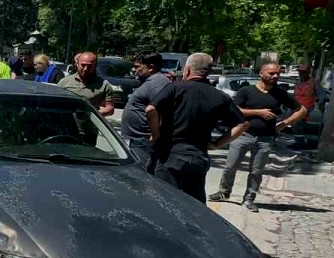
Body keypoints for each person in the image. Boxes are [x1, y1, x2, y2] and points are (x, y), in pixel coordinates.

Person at [208, 62, 308, 212]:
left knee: (256, 171)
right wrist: (258, 112)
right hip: (243, 135)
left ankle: (249, 199)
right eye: (271, 73)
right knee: (230, 166)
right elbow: (235, 109)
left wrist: (284, 123)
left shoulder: (280, 93)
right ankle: (224, 192)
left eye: (277, 74)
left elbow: (302, 110)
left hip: (265, 139)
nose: (275, 76)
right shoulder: (247, 91)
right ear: (261, 73)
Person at [154, 53, 249, 202]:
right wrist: (217, 144)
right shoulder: (220, 96)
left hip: (171, 154)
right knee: (195, 205)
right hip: (198, 156)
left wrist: (155, 134)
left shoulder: (175, 88)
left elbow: (150, 109)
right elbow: (242, 124)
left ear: (187, 70)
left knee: (165, 202)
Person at [120, 52, 172, 173]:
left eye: (138, 66)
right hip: (140, 139)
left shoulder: (156, 83)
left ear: (151, 67)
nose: (134, 69)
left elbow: (161, 110)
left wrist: (155, 135)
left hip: (145, 141)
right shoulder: (152, 81)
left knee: (141, 174)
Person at [58, 52, 114, 116]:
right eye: (83, 65)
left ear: (95, 66)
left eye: (89, 66)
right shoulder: (64, 82)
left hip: (88, 124)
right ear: (77, 64)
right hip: (67, 123)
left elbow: (110, 108)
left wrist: (93, 114)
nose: (85, 69)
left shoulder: (104, 85)